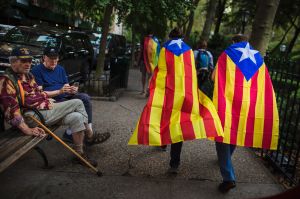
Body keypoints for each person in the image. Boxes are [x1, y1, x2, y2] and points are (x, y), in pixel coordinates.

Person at [128, 28, 223, 174]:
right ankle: (174, 164)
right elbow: (191, 74)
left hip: (167, 93)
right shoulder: (189, 50)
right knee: (178, 124)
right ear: (182, 37)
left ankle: (163, 143)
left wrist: (154, 88)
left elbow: (160, 71)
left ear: (170, 36)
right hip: (184, 94)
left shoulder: (165, 48)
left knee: (164, 118)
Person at [0, 47, 101, 166]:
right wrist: (27, 129)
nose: (28, 64)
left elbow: (38, 93)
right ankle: (90, 135)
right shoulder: (7, 81)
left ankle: (80, 155)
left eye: (29, 60)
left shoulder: (28, 76)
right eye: (23, 61)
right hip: (32, 117)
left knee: (77, 117)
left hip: (44, 110)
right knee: (78, 102)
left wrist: (47, 99)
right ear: (13, 62)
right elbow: (12, 110)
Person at [211, 34, 279, 193]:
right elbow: (264, 85)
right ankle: (226, 160)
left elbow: (214, 77)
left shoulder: (227, 54)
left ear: (233, 42)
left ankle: (228, 177)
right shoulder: (259, 59)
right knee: (235, 131)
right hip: (249, 104)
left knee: (222, 135)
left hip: (229, 102)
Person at [31, 47, 110, 144]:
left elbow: (66, 85)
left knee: (85, 97)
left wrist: (72, 90)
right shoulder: (36, 70)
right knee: (79, 104)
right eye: (51, 59)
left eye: (56, 58)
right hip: (53, 102)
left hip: (65, 97)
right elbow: (40, 94)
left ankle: (76, 133)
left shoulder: (60, 69)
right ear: (44, 58)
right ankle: (88, 135)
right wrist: (59, 91)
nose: (54, 61)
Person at [138, 32, 160, 97]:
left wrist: (138, 60)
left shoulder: (144, 40)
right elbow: (157, 52)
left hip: (143, 61)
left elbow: (141, 51)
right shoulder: (155, 41)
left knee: (143, 75)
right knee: (150, 76)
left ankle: (143, 90)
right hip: (151, 62)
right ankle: (148, 89)